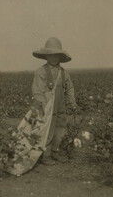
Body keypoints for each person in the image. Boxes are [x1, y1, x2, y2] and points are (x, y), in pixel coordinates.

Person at [30, 37, 79, 165]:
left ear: (59, 57)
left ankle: (55, 152)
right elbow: (37, 90)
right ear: (46, 56)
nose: (53, 58)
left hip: (60, 105)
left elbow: (69, 88)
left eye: (56, 55)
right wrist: (42, 105)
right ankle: (45, 155)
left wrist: (71, 101)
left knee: (60, 128)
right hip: (47, 106)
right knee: (47, 130)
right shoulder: (41, 72)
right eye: (50, 55)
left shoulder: (63, 73)